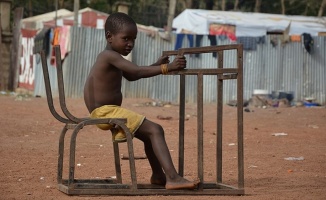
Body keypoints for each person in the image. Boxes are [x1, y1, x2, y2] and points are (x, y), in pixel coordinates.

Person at [83, 12, 200, 190]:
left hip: (106, 111)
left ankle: (159, 176)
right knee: (155, 130)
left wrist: (156, 64)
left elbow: (131, 75)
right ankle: (173, 178)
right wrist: (166, 67)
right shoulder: (109, 56)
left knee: (148, 136)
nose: (130, 44)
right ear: (109, 37)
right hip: (106, 112)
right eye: (126, 38)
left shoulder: (112, 58)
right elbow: (136, 71)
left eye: (134, 39)